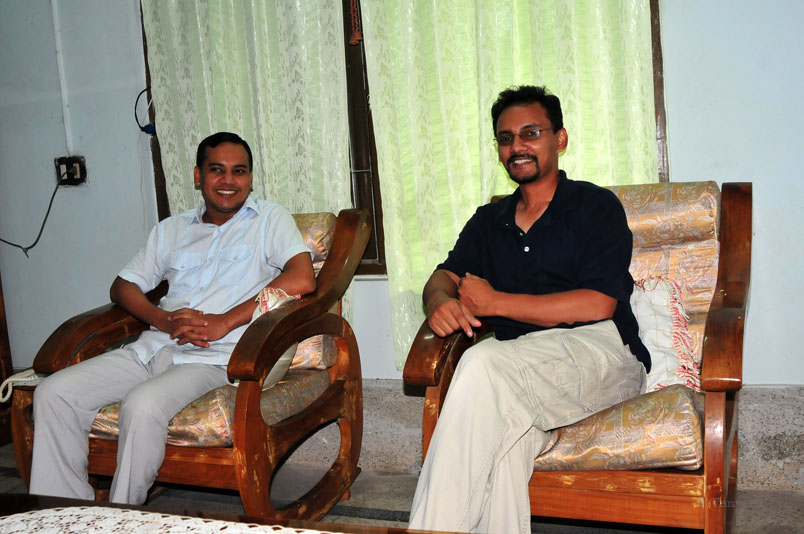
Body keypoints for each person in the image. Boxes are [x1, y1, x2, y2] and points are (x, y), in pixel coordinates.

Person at [407, 86, 651, 534]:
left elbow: (598, 302)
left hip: (602, 354)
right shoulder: (489, 221)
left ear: (560, 139)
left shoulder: (594, 206)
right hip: (520, 369)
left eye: (530, 133)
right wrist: (439, 301)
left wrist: (495, 303)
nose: (516, 146)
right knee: (502, 447)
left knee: (482, 364)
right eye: (506, 138)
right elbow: (444, 276)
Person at [29, 132, 316, 505]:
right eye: (217, 170)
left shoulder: (268, 219)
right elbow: (123, 286)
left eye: (239, 171)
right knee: (53, 393)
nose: (229, 181)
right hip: (152, 348)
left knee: (142, 404)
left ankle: (122, 517)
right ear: (198, 176)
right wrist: (162, 320)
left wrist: (225, 321)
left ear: (250, 178)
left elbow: (302, 278)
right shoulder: (171, 229)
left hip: (214, 356)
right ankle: (63, 512)